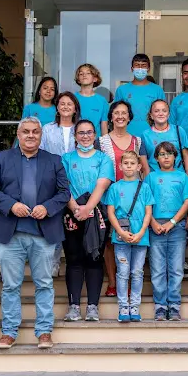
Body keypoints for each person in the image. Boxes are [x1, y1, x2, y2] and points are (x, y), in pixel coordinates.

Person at [0, 116, 70, 350]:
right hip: (10, 233)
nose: (31, 135)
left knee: (44, 284)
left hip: (43, 234)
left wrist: (47, 207)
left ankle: (44, 332)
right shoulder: (2, 158)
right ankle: (9, 332)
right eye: (26, 131)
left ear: (41, 135)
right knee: (11, 286)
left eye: (35, 132)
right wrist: (11, 205)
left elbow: (64, 193)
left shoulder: (54, 160)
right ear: (18, 134)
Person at [61, 120, 112, 322]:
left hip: (97, 215)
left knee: (94, 259)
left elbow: (102, 184)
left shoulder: (103, 159)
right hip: (72, 214)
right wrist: (75, 208)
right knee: (74, 260)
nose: (85, 136)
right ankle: (74, 306)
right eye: (81, 133)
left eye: (89, 132)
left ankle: (92, 307)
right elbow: (63, 186)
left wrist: (88, 208)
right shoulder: (66, 159)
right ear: (75, 136)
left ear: (95, 135)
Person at [145, 142, 188, 321]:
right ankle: (160, 306)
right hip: (155, 226)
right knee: (158, 269)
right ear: (156, 159)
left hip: (177, 227)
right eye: (162, 154)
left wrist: (172, 222)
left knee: (176, 269)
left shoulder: (182, 177)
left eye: (169, 154)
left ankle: (174, 306)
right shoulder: (150, 178)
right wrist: (153, 222)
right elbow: (145, 202)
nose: (166, 157)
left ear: (175, 157)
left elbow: (187, 202)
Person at [99, 100, 143, 296]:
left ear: (129, 117)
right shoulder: (102, 142)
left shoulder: (137, 141)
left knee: (131, 237)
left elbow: (143, 169)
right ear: (111, 117)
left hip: (133, 200)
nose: (120, 116)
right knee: (111, 241)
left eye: (124, 113)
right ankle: (112, 282)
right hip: (109, 198)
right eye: (116, 113)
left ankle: (129, 283)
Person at [106, 150, 155, 322]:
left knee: (137, 272)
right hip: (121, 237)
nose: (129, 167)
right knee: (123, 271)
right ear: (120, 166)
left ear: (139, 166)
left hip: (140, 236)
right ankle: (123, 307)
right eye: (125, 163)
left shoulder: (145, 187)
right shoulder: (115, 187)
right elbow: (110, 212)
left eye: (132, 164)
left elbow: (148, 212)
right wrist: (120, 231)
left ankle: (134, 305)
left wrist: (141, 232)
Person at [39, 91, 81, 277]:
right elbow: (40, 155)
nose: (65, 107)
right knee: (54, 223)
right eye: (62, 103)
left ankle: (76, 265)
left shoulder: (81, 128)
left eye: (69, 104)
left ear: (75, 108)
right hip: (52, 183)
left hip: (77, 183)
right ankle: (53, 264)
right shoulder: (47, 129)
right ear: (57, 107)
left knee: (74, 224)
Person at [114, 54, 166, 138]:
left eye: (143, 66)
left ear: (148, 69)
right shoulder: (122, 90)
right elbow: (115, 115)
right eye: (137, 65)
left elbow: (163, 116)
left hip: (152, 137)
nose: (140, 68)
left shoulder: (157, 90)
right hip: (127, 136)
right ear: (132, 69)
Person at [139, 99, 188, 176]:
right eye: (156, 111)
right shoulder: (145, 135)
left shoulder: (179, 130)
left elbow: (186, 157)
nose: (161, 114)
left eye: (164, 111)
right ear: (151, 115)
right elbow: (145, 166)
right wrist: (148, 181)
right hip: (156, 178)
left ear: (168, 114)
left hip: (178, 177)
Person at [74, 63, 109, 136]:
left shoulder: (102, 101)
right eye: (81, 74)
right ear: (78, 80)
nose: (84, 75)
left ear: (95, 79)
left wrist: (105, 142)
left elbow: (104, 126)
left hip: (96, 140)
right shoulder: (72, 98)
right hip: (75, 139)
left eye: (88, 73)